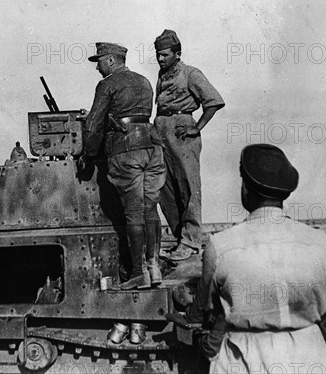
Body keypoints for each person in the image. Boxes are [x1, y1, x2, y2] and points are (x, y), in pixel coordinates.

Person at [197, 144, 326, 373]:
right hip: (311, 354)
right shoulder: (319, 241)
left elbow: (208, 306)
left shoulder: (220, 245)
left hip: (245, 357)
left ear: (246, 188)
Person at [82, 42, 166, 290]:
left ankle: (138, 273)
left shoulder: (107, 84)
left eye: (99, 61)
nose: (97, 67)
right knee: (150, 208)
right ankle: (154, 266)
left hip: (125, 151)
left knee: (133, 211)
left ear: (110, 60)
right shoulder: (144, 81)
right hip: (152, 148)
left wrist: (88, 153)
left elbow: (93, 124)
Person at [153, 29, 225, 261]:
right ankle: (179, 240)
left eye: (165, 54)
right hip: (161, 129)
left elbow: (213, 101)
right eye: (158, 55)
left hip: (182, 130)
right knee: (165, 189)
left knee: (188, 187)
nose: (160, 59)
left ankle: (191, 241)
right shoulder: (162, 75)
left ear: (177, 53)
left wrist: (197, 127)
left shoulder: (191, 73)